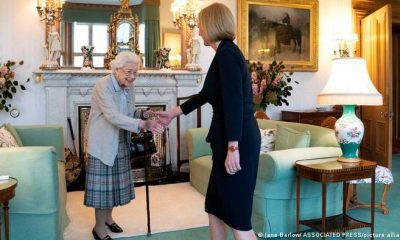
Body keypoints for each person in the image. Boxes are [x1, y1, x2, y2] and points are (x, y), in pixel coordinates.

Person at [157, 3, 260, 240]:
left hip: (237, 142)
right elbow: (206, 94)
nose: (199, 30)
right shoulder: (222, 54)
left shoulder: (227, 55)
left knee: (238, 218)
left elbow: (234, 104)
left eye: (201, 25)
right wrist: (174, 112)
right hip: (227, 139)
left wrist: (233, 147)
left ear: (212, 25)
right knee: (215, 208)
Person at [84, 51, 164, 240]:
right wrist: (142, 125)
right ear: (117, 69)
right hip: (102, 143)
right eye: (129, 72)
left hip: (120, 140)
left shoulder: (129, 87)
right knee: (103, 189)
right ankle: (98, 228)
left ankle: (108, 219)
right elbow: (113, 116)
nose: (132, 76)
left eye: (135, 73)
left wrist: (144, 114)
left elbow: (128, 112)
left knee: (113, 186)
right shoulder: (102, 86)